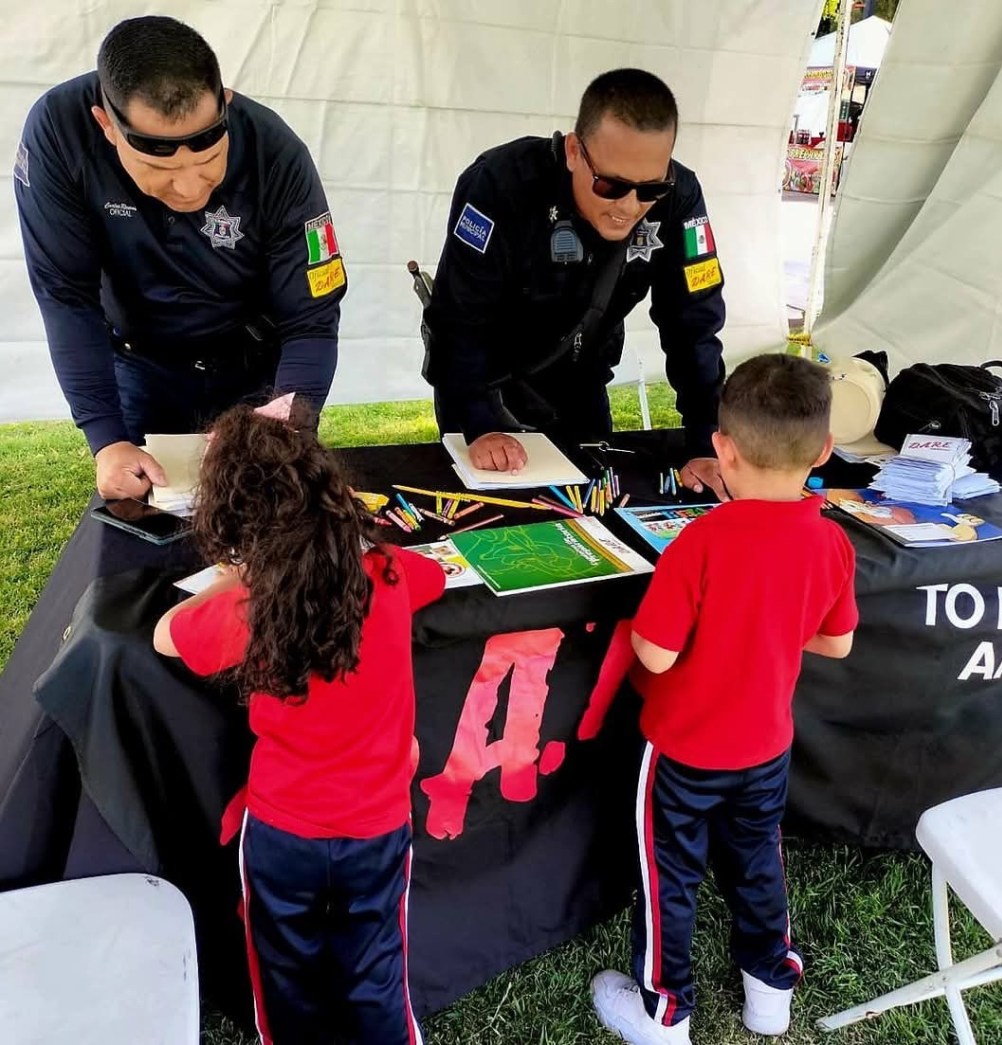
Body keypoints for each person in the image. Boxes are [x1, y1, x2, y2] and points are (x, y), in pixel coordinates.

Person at [153, 403, 444, 1045]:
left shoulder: (247, 608)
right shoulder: (388, 575)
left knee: (284, 971)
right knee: (378, 967)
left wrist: (232, 578)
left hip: (285, 829)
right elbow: (431, 577)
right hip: (379, 820)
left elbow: (166, 637)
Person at [591, 354, 859, 1044]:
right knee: (758, 859)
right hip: (766, 745)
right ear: (825, 450)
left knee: (669, 875)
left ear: (722, 448)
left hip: (682, 746)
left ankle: (663, 1011)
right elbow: (837, 643)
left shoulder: (701, 540)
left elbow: (655, 652)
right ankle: (770, 987)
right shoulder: (830, 539)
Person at [14, 16, 347, 500]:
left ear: (225, 105)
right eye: (158, 167)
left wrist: (286, 425)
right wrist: (106, 440)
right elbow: (65, 295)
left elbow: (312, 317)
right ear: (107, 127)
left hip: (253, 364)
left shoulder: (276, 152)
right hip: (143, 363)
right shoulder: (59, 134)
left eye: (209, 161)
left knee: (272, 512)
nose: (189, 188)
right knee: (152, 521)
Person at [424, 68, 727, 498]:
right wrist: (480, 422)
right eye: (610, 184)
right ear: (573, 152)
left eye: (649, 189)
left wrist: (706, 439)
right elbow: (460, 315)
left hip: (582, 381)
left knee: (591, 508)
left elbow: (694, 324)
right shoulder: (500, 184)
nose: (628, 206)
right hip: (485, 382)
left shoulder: (681, 198)